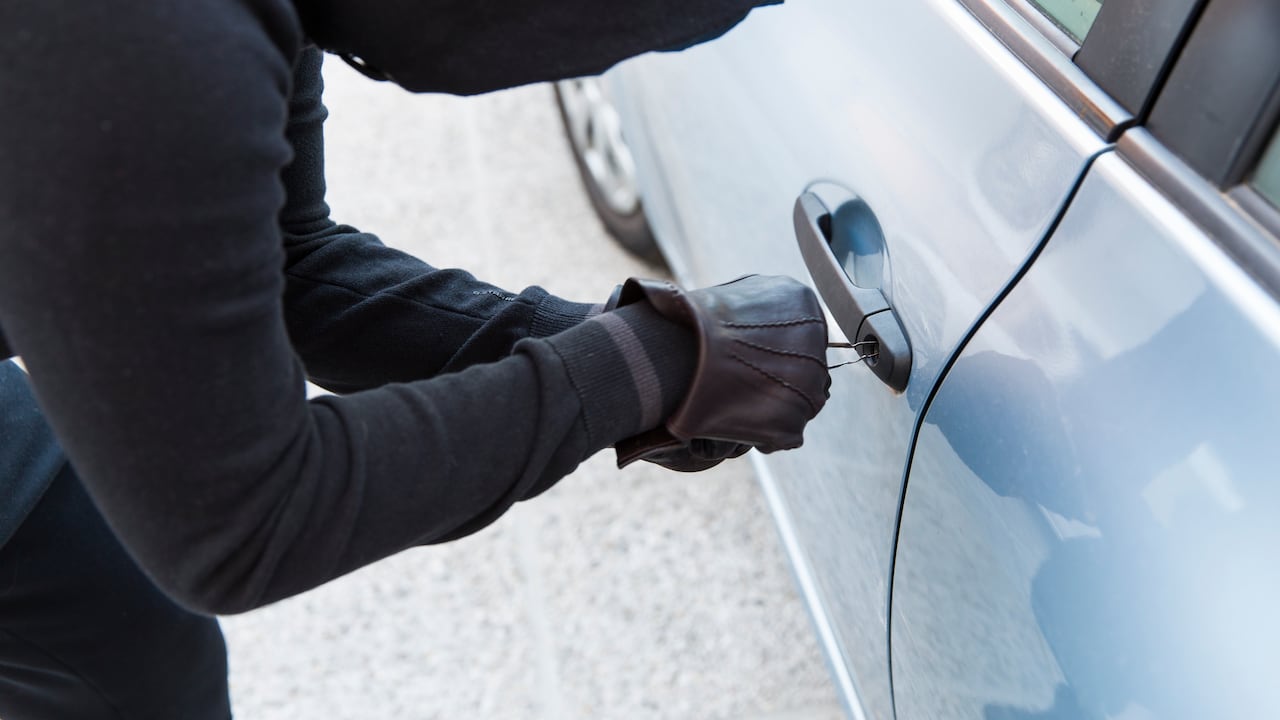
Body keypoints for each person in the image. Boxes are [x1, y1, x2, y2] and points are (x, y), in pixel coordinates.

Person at [0, 1, 829, 717]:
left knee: (119, 630)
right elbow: (242, 522)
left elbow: (290, 263)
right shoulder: (137, 39)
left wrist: (593, 341)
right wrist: (635, 369)